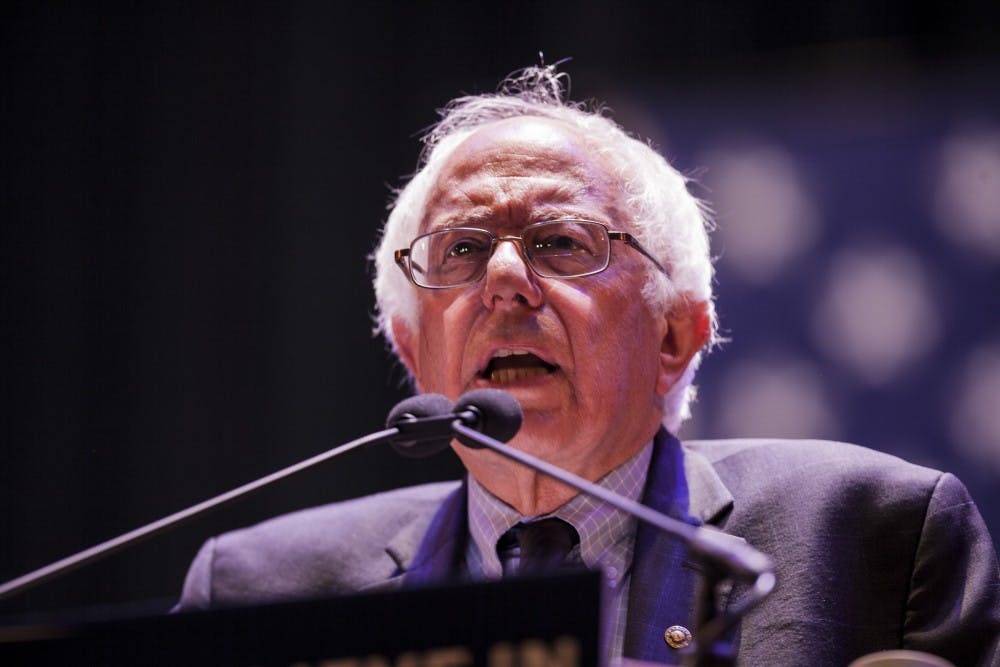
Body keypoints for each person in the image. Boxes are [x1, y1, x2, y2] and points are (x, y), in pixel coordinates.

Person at [175, 65, 1000, 665]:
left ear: (676, 336)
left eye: (561, 243)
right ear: (412, 351)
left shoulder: (870, 532)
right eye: (461, 248)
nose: (503, 281)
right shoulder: (258, 592)